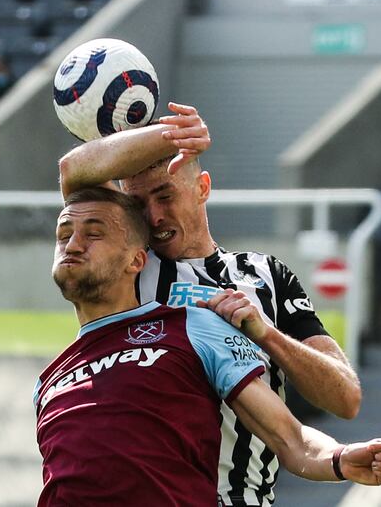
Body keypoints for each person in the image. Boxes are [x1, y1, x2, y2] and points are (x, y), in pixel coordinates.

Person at [58, 102, 363, 506]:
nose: (152, 215)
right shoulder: (130, 267)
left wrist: (267, 336)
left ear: (202, 187)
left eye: (165, 195)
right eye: (139, 203)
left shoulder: (267, 277)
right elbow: (72, 174)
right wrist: (172, 135)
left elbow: (345, 397)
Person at [37, 186, 381, 505]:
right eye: (63, 233)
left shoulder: (193, 325)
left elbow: (291, 438)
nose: (72, 244)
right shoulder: (49, 381)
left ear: (137, 259)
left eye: (93, 233)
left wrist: (338, 459)